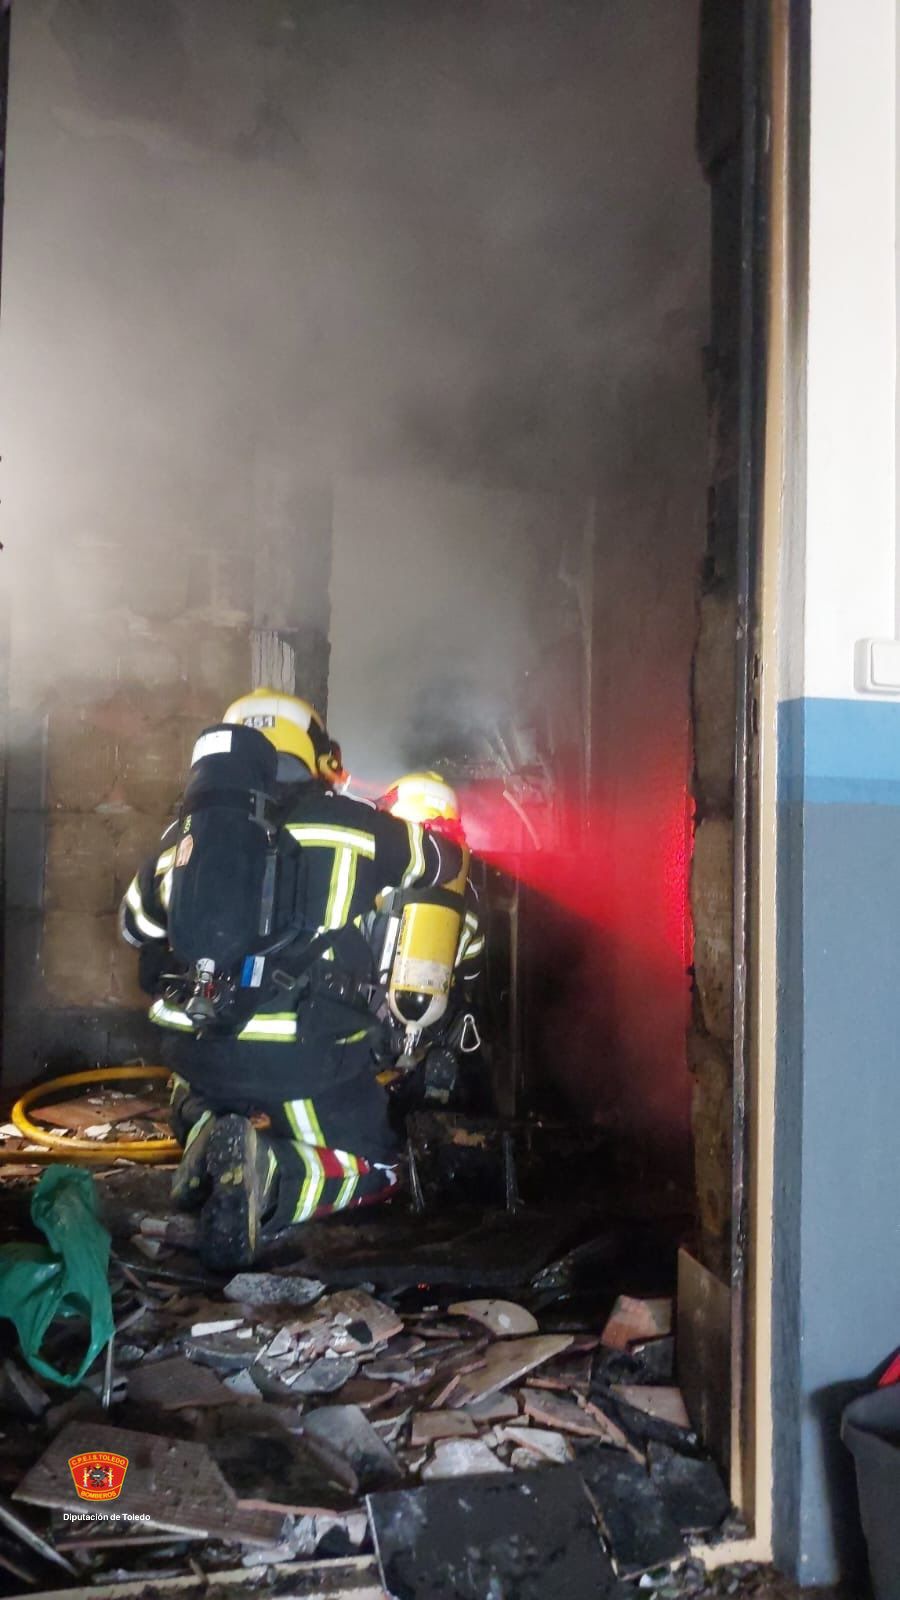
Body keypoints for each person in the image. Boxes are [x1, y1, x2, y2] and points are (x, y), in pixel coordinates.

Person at [119, 690, 465, 1271]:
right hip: (305, 1060)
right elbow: (441, 863)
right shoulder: (355, 827)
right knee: (377, 1167)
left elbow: (137, 927)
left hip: (198, 1053)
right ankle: (271, 1174)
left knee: (197, 1092)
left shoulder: (183, 838)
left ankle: (211, 1133)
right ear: (316, 755)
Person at [369, 771, 486, 1108]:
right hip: (428, 1025)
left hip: (365, 1016)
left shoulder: (381, 866)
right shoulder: (467, 891)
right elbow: (472, 972)